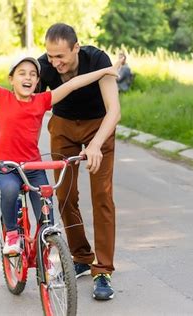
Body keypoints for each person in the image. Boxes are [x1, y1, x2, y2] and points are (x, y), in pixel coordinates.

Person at [0, 33, 118, 255]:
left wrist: (105, 71)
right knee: (10, 189)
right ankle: (11, 232)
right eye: (22, 73)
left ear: (38, 81)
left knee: (46, 210)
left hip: (33, 168)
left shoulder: (42, 101)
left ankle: (45, 260)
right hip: (7, 166)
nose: (27, 77)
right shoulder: (1, 97)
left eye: (32, 74)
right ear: (11, 79)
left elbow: (75, 84)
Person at [38, 23, 121, 301]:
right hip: (63, 127)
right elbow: (30, 109)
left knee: (102, 196)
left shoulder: (97, 60)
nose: (55, 62)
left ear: (76, 47)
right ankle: (81, 256)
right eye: (50, 56)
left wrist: (96, 143)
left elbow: (114, 110)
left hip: (99, 127)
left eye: (61, 56)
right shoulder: (45, 66)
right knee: (64, 195)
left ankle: (103, 270)